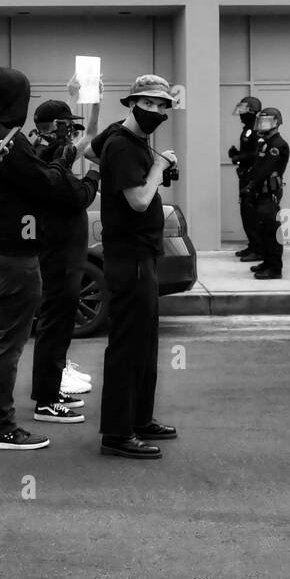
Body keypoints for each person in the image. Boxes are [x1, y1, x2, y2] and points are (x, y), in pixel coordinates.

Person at [0, 67, 100, 450]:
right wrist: (62, 161)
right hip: (11, 254)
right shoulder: (8, 139)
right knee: (8, 341)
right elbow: (46, 183)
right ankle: (1, 426)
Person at [90, 74, 180, 458]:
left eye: (162, 105)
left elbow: (92, 152)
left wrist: (151, 165)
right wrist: (158, 171)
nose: (156, 111)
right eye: (148, 104)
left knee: (145, 344)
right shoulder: (124, 145)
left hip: (143, 256)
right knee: (127, 346)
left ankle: (140, 419)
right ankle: (117, 434)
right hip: (130, 259)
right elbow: (139, 201)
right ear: (131, 103)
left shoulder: (121, 140)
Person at [27, 98, 99, 424]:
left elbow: (88, 139)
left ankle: (52, 390)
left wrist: (92, 100)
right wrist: (96, 174)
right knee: (53, 328)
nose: (72, 134)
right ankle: (45, 402)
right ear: (54, 129)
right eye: (66, 126)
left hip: (63, 256)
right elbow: (80, 195)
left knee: (58, 328)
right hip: (59, 258)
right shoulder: (46, 160)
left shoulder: (53, 154)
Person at [245, 107, 290, 279]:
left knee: (271, 232)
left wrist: (250, 186)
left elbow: (265, 169)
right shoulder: (265, 142)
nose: (262, 125)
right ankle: (267, 262)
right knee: (262, 230)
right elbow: (256, 167)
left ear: (276, 123)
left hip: (268, 194)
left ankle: (275, 269)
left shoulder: (278, 145)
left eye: (266, 122)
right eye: (261, 122)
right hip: (260, 193)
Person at [228, 96, 263, 261]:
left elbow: (256, 155)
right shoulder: (248, 129)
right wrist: (237, 155)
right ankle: (253, 245)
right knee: (246, 213)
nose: (241, 114)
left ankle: (259, 249)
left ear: (252, 111)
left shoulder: (257, 130)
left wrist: (240, 157)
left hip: (252, 178)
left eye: (244, 110)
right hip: (245, 176)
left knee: (252, 214)